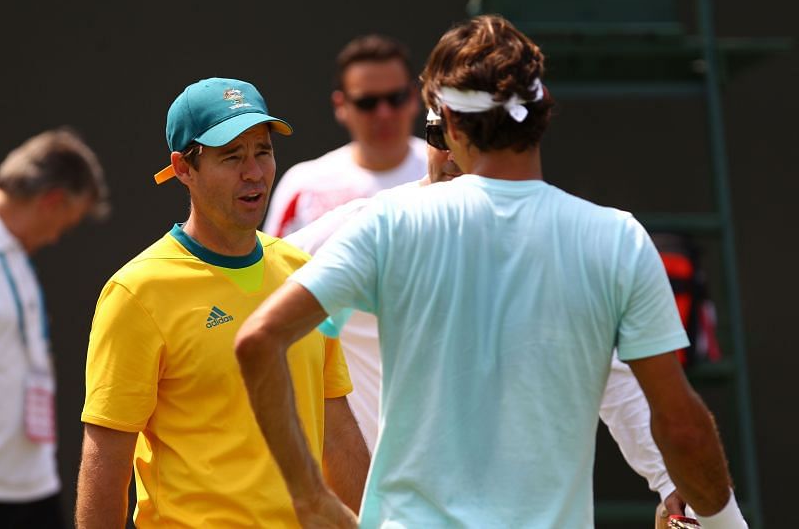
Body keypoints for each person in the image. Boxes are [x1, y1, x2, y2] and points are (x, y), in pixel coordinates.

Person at [235, 16, 748, 529]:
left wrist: (309, 494)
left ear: (454, 126)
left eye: (438, 127)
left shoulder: (387, 229)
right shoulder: (613, 240)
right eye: (431, 133)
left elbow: (255, 336)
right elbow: (676, 421)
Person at [283, 108, 688, 518]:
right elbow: (258, 311)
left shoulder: (556, 239)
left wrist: (670, 480)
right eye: (438, 135)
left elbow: (614, 377)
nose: (453, 152)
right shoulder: (370, 225)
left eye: (471, 135)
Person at [75, 77, 369, 528]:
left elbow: (337, 430)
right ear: (183, 168)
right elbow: (106, 460)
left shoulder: (302, 271)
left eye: (263, 152)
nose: (253, 172)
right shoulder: (136, 292)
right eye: (231, 157)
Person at [0, 128, 108, 528]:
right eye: (66, 221)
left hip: (30, 479)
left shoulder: (16, 255)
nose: (58, 236)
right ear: (53, 201)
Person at [263, 34, 425, 237]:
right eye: (367, 102)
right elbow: (275, 264)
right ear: (340, 105)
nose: (384, 114)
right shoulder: (304, 185)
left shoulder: (452, 173)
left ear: (414, 97)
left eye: (396, 98)